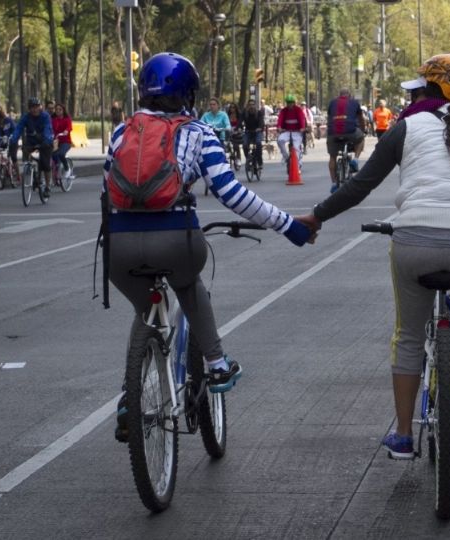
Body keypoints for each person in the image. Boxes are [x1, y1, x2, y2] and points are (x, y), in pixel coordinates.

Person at [293, 54, 450, 460]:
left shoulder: (407, 127)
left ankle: (402, 434)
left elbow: (360, 186)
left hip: (414, 240)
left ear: (432, 89)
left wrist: (316, 217)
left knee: (410, 337)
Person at [103, 52, 313, 441]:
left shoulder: (122, 132)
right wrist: (288, 226)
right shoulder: (198, 132)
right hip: (175, 240)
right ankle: (217, 363)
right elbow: (232, 195)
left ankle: (130, 397)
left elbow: (108, 191)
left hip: (119, 247)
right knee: (188, 283)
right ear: (187, 94)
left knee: (145, 308)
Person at [10, 97, 55, 197]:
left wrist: (46, 139)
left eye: (36, 107)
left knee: (45, 164)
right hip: (31, 141)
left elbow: (48, 128)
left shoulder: (45, 116)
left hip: (45, 141)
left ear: (40, 107)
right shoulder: (26, 117)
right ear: (29, 109)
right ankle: (32, 174)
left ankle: (48, 186)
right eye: (32, 107)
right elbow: (19, 128)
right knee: (26, 152)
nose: (34, 109)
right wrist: (14, 139)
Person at [326, 89, 366, 192]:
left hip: (333, 132)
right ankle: (355, 160)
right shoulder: (354, 103)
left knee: (332, 157)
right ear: (349, 95)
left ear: (339, 95)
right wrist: (363, 129)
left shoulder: (332, 103)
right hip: (350, 130)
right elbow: (361, 119)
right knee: (361, 138)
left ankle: (334, 183)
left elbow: (329, 117)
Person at [276, 94, 306, 168]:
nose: (290, 104)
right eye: (288, 103)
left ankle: (298, 164)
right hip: (286, 131)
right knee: (280, 140)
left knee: (296, 148)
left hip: (297, 132)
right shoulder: (284, 111)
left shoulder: (298, 110)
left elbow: (301, 119)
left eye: (291, 102)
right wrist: (279, 127)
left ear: (294, 103)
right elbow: (280, 119)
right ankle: (285, 156)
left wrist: (302, 127)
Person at [51, 102, 74, 178]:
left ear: (63, 110)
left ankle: (67, 168)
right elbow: (50, 128)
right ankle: (56, 169)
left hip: (65, 142)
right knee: (52, 154)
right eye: (56, 109)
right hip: (56, 142)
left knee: (61, 154)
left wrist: (66, 131)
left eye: (60, 109)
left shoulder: (67, 119)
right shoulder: (53, 120)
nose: (58, 111)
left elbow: (69, 127)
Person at [242, 98, 264, 171]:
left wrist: (260, 128)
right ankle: (248, 159)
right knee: (245, 144)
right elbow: (239, 121)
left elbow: (261, 122)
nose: (251, 106)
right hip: (248, 131)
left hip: (257, 131)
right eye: (250, 105)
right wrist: (238, 128)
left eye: (253, 104)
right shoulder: (245, 113)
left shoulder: (259, 112)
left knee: (258, 143)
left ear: (255, 105)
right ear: (247, 106)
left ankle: (259, 161)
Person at [226, 102, 244, 169]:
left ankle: (238, 159)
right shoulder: (227, 115)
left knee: (236, 146)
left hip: (237, 131)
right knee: (227, 145)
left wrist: (238, 129)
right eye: (231, 107)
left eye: (233, 107)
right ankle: (230, 157)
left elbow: (240, 123)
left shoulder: (239, 115)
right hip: (229, 131)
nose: (232, 109)